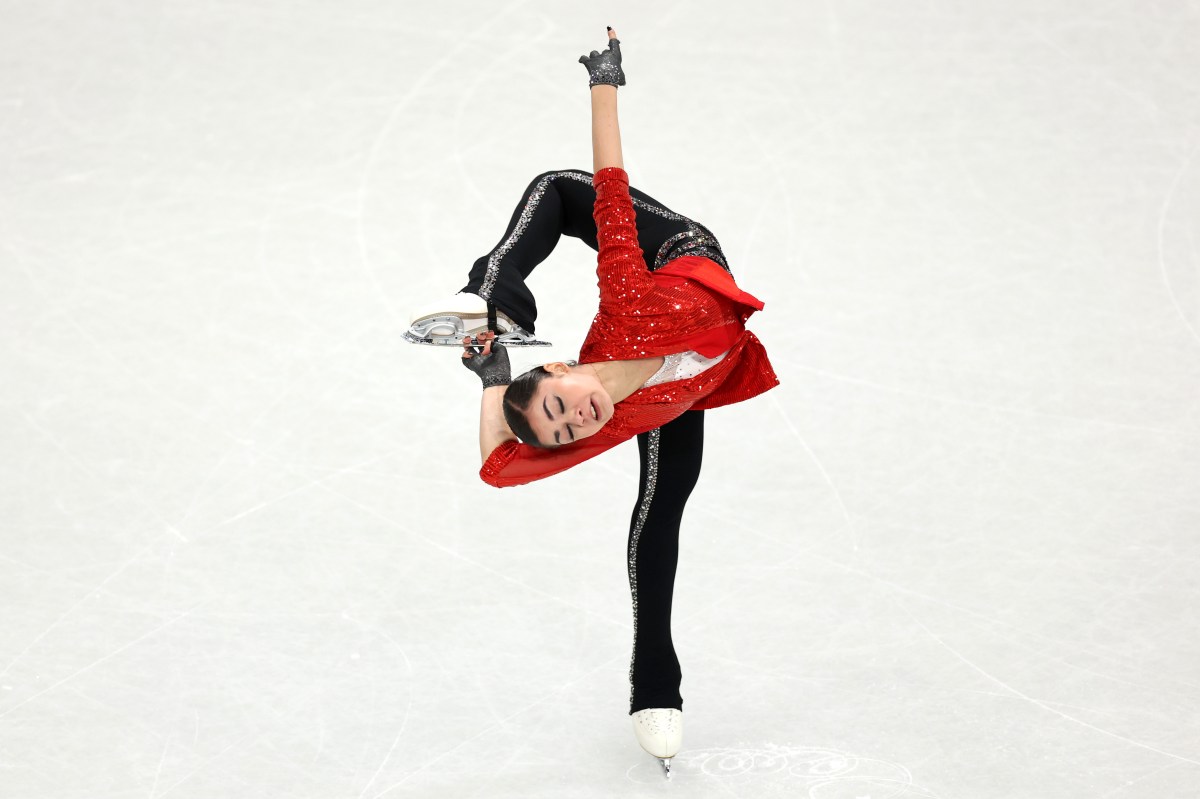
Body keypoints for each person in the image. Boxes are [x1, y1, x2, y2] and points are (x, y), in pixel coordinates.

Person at [406, 28, 779, 775]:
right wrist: (492, 383)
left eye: (559, 404)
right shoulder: (608, 422)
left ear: (569, 366)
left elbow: (602, 179)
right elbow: (502, 467)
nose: (576, 419)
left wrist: (604, 80)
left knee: (557, 186)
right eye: (563, 430)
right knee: (660, 507)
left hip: (680, 257)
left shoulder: (626, 300)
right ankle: (654, 685)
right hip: (684, 387)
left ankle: (491, 295)